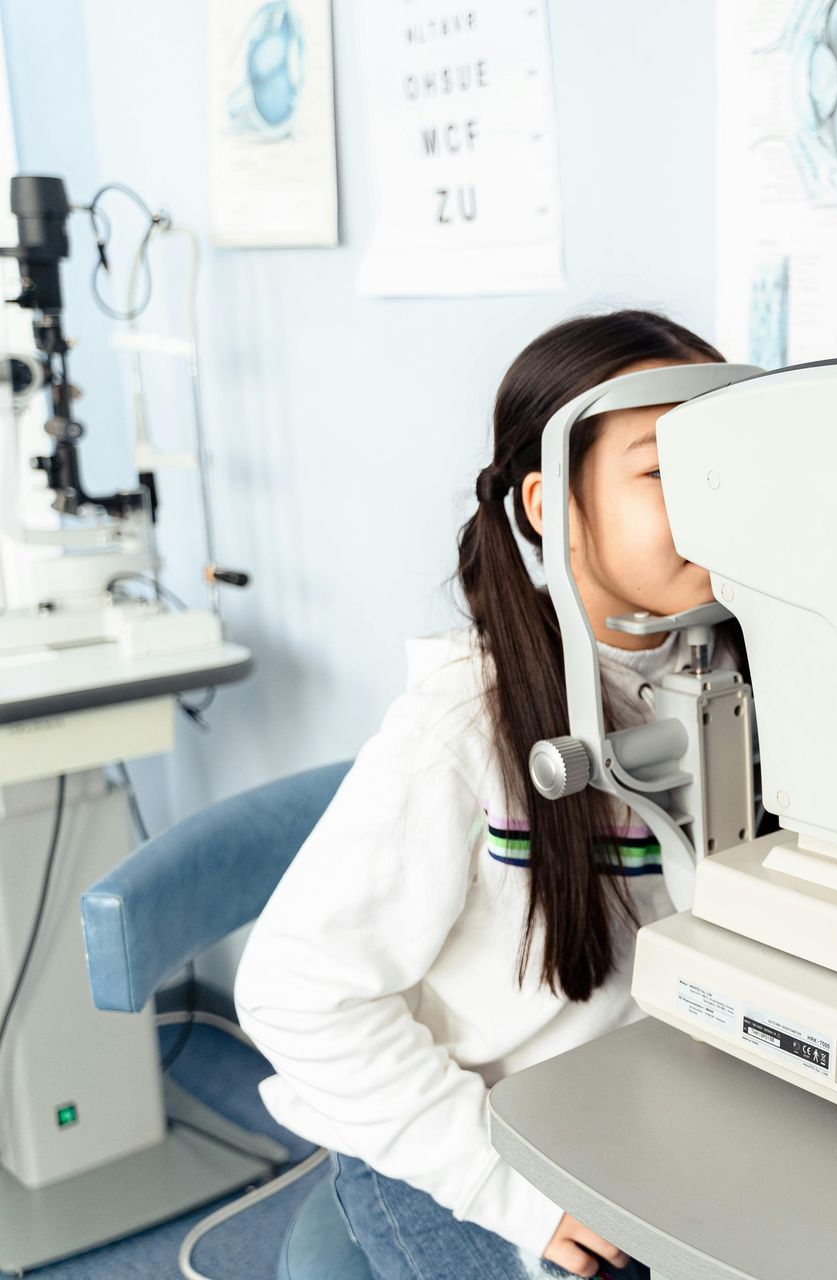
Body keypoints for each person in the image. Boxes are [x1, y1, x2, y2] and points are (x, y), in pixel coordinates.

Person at [237, 311, 739, 1279]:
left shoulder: (740, 676)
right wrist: (508, 1186)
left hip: (644, 1107)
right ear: (554, 504)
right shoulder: (463, 728)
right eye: (662, 469)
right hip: (464, 1128)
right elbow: (298, 997)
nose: (715, 500)